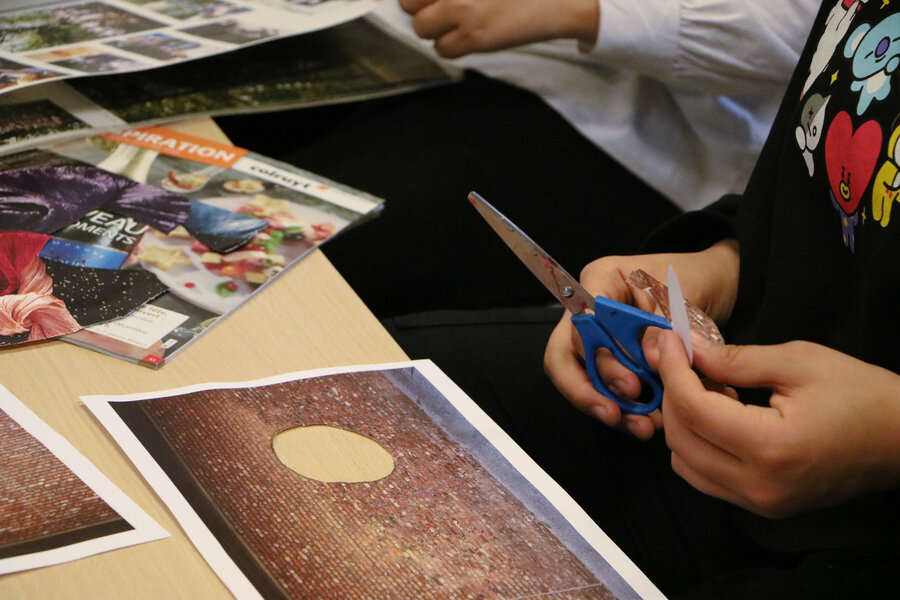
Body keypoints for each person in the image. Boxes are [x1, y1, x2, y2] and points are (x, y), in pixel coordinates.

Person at [389, 0, 900, 596]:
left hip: (864, 525)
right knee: (382, 393)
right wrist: (724, 263)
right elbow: (830, 202)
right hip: (721, 421)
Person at [218, 1, 817, 317]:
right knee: (148, 135)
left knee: (256, 251)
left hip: (637, 122)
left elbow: (825, 31)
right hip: (395, 27)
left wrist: (586, 9)